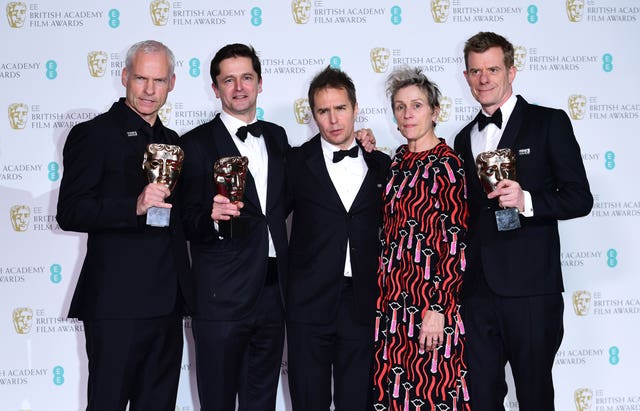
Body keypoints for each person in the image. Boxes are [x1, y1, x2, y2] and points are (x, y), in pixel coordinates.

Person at [453, 31, 593, 411]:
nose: (484, 78)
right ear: (466, 77)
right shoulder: (463, 138)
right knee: (480, 397)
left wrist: (527, 199)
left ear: (512, 71)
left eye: (493, 69)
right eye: (476, 71)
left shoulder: (549, 123)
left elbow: (580, 198)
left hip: (532, 290)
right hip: (478, 292)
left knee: (533, 396)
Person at [56, 40, 193, 411]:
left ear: (173, 83)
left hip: (167, 304)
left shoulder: (173, 143)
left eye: (159, 80)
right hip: (116, 304)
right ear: (124, 78)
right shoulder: (93, 134)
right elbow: (70, 211)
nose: (149, 90)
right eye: (141, 79)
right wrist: (133, 205)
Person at [178, 43, 290, 411]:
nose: (239, 87)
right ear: (215, 88)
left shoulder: (277, 136)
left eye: (246, 78)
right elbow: (181, 220)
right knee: (218, 401)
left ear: (260, 83)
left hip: (274, 293)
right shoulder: (192, 145)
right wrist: (209, 217)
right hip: (220, 297)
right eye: (229, 80)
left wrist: (361, 140)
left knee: (262, 401)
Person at [286, 66, 390, 410]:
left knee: (357, 402)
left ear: (356, 108)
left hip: (363, 304)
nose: (333, 119)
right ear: (313, 115)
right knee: (308, 401)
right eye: (323, 111)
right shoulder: (294, 162)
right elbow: (267, 222)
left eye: (341, 108)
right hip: (308, 305)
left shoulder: (381, 165)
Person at [372, 67, 470, 410]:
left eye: (416, 105)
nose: (407, 114)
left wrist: (439, 308)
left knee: (434, 394)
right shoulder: (397, 161)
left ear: (435, 111)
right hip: (391, 306)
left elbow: (456, 244)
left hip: (429, 304)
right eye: (400, 107)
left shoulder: (448, 164)